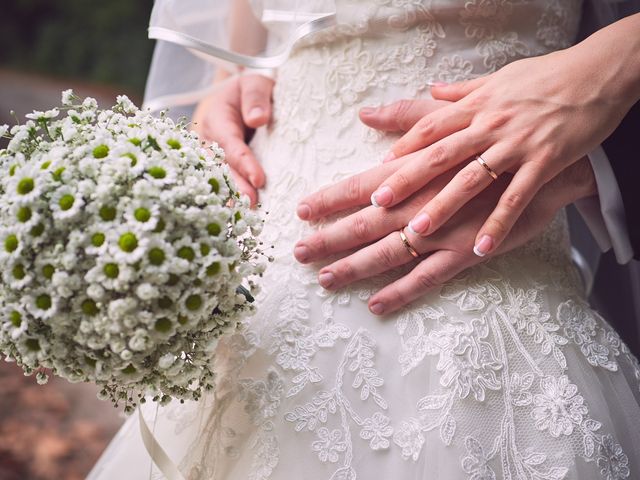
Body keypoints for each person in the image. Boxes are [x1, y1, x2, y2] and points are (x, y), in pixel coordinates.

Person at [89, 2, 640, 479]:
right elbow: (256, 44)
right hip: (264, 299)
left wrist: (595, 106)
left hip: (489, 288)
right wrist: (224, 95)